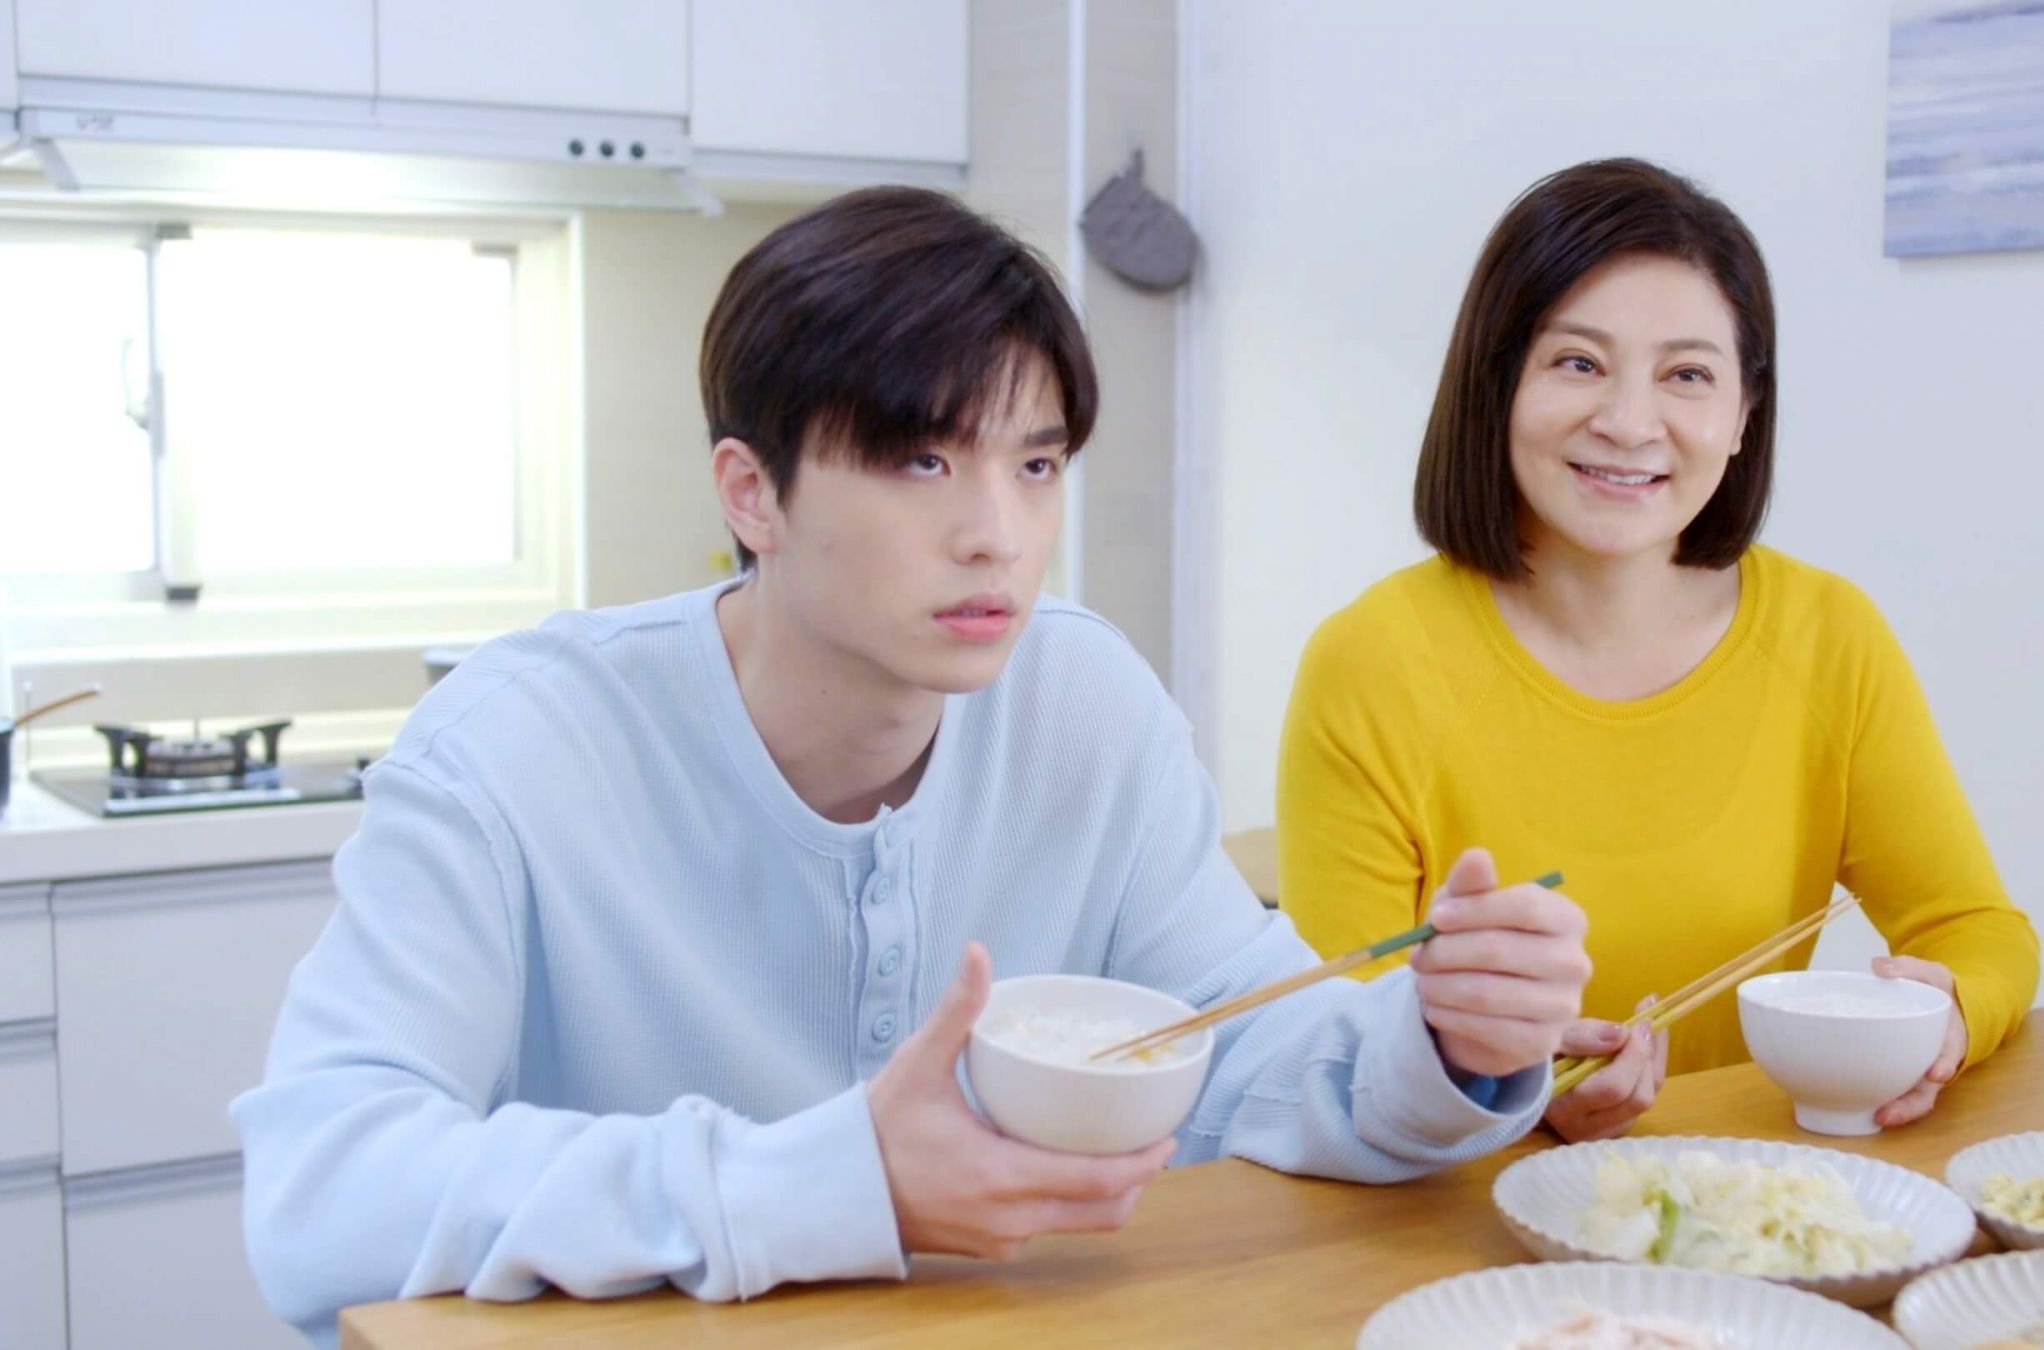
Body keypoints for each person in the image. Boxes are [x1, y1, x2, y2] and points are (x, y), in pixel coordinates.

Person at [232, 187, 1592, 1344]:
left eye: (1036, 464)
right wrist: (822, 1184)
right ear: (751, 493)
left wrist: (1442, 1043)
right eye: (922, 461)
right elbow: (324, 1192)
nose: (998, 532)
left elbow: (1233, 1040)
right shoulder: (515, 745)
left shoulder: (1087, 703)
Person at [1277, 158, 2040, 1145]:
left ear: (1743, 413)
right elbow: (1337, 1045)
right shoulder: (1370, 663)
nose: (1630, 424)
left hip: (1757, 1197)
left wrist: (1946, 1020)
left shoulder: (1830, 636)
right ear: (1497, 384)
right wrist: (1511, 1091)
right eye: (1578, 363)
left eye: (1687, 375)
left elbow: (1975, 930)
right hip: (1453, 1202)